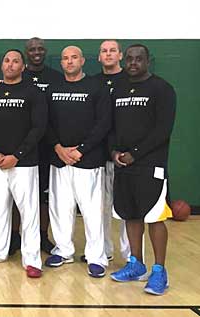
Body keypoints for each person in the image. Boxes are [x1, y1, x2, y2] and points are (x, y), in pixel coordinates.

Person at [109, 44, 176, 296]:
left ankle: (159, 271)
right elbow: (111, 126)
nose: (134, 62)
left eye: (139, 59)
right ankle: (136, 264)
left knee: (155, 216)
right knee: (131, 214)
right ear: (124, 61)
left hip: (151, 164)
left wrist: (135, 154)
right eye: (130, 59)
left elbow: (163, 130)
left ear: (148, 61)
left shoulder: (163, 89)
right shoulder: (118, 89)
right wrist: (114, 152)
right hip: (123, 163)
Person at [0, 49, 47, 278]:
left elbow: (38, 127)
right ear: (2, 65)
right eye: (6, 60)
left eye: (15, 61)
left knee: (29, 212)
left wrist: (17, 154)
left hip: (24, 162)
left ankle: (32, 259)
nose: (10, 64)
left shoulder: (34, 93)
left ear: (23, 66)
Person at [44, 46, 110, 278]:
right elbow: (45, 122)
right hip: (60, 159)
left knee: (92, 211)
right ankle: (63, 250)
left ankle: (96, 257)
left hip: (88, 160)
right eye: (65, 58)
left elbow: (103, 123)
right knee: (60, 208)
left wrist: (82, 149)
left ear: (82, 60)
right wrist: (58, 147)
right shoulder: (54, 88)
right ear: (61, 63)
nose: (69, 61)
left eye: (74, 57)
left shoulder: (97, 87)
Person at [8, 37, 63, 256]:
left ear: (45, 51)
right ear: (26, 54)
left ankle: (41, 235)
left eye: (40, 49)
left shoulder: (56, 78)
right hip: (21, 146)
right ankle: (14, 235)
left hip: (47, 146)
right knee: (16, 195)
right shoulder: (18, 76)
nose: (36, 52)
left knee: (43, 195)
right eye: (32, 49)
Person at [82, 39, 130, 262]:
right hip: (99, 155)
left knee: (128, 207)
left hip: (126, 155)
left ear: (120, 55)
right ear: (99, 57)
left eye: (113, 51)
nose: (108, 54)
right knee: (100, 207)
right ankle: (103, 250)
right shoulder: (92, 83)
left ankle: (131, 255)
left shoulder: (130, 80)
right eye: (104, 51)